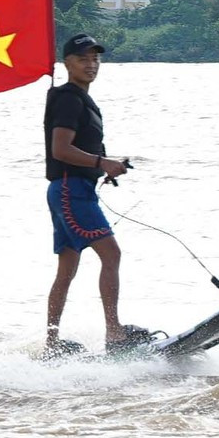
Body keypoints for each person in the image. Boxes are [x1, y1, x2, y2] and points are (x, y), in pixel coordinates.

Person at [42, 34, 154, 355]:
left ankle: (52, 343)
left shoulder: (77, 98)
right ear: (67, 64)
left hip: (70, 189)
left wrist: (101, 167)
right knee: (112, 255)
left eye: (96, 59)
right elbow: (60, 149)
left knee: (67, 268)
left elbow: (76, 147)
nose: (91, 65)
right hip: (70, 191)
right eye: (82, 59)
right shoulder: (68, 98)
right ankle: (115, 335)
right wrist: (100, 161)